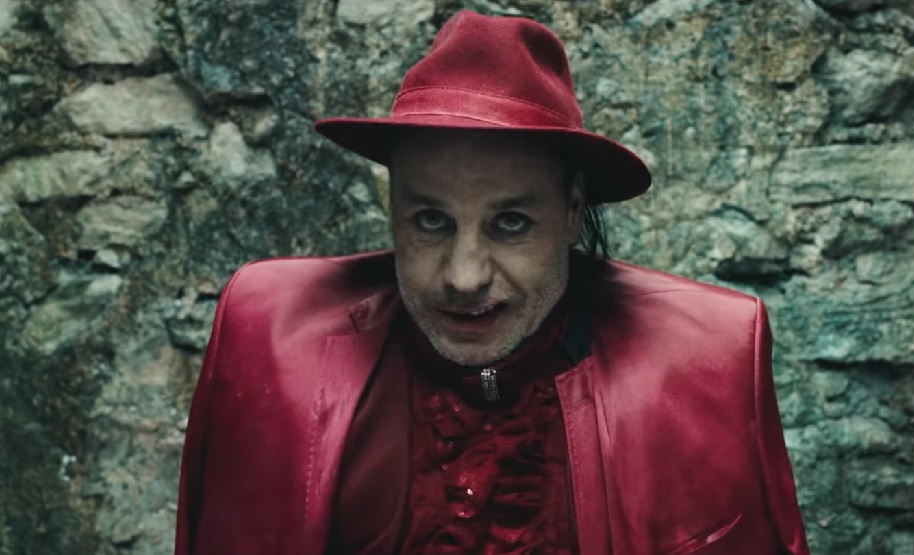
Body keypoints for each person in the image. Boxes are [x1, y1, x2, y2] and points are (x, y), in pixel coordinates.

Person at [174, 10, 810, 555]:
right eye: (431, 221)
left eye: (510, 223)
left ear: (571, 211)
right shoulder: (268, 334)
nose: (464, 277)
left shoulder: (711, 359)